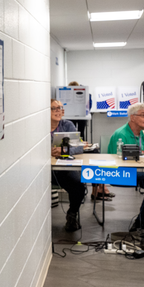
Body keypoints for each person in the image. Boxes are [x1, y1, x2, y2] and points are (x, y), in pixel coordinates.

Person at [50, 99, 87, 232]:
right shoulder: (39, 127)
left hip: (64, 168)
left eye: (60, 108)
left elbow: (79, 147)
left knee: (79, 186)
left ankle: (72, 214)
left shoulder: (67, 125)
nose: (58, 111)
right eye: (54, 108)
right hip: (45, 170)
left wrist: (63, 150)